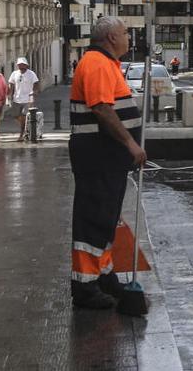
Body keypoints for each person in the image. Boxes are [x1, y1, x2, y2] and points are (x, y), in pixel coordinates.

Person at [69, 17, 146, 310]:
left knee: (105, 218)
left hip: (106, 155)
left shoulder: (106, 63)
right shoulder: (97, 64)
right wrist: (130, 143)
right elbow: (102, 109)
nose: (129, 37)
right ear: (111, 37)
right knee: (93, 219)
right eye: (126, 33)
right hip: (97, 153)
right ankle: (85, 287)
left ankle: (102, 275)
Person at [7, 57, 39, 141]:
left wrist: (34, 91)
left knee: (24, 116)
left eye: (23, 64)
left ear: (26, 65)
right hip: (16, 98)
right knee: (16, 115)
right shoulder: (14, 73)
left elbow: (36, 83)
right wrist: (9, 94)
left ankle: (22, 133)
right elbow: (11, 84)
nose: (21, 65)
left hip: (28, 99)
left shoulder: (31, 74)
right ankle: (27, 127)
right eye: (19, 64)